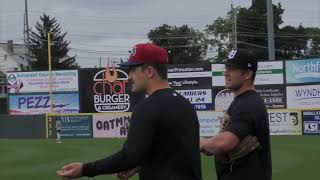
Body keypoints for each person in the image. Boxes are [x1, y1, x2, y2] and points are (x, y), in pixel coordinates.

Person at [57, 43, 203, 180]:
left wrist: (84, 169)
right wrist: (140, 166)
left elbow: (129, 157)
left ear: (149, 71)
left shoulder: (146, 108)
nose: (129, 76)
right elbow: (173, 155)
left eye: (133, 70)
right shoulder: (186, 105)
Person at [200, 49, 272, 180]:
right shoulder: (242, 100)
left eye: (232, 69)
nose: (225, 73)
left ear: (247, 74)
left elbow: (225, 143)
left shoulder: (248, 104)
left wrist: (197, 142)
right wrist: (210, 146)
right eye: (226, 67)